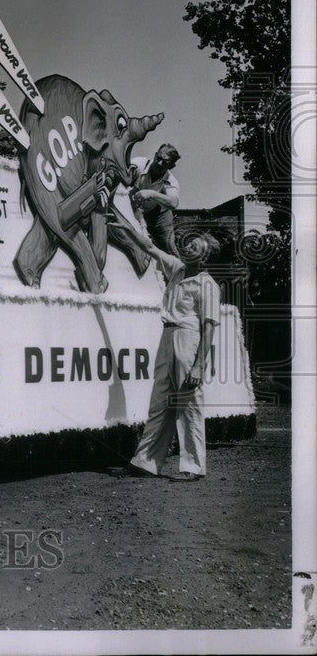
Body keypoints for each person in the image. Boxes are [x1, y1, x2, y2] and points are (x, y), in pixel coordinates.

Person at [109, 215, 221, 481]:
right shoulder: (178, 269)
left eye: (195, 247)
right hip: (167, 337)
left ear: (204, 258)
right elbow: (150, 248)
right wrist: (128, 228)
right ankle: (145, 462)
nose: (188, 248)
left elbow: (209, 328)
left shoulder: (208, 285)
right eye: (189, 244)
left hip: (189, 340)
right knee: (159, 401)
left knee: (188, 404)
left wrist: (198, 365)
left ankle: (194, 466)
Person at [129, 143, 181, 255]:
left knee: (168, 247)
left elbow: (173, 203)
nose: (159, 163)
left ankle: (177, 270)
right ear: (155, 154)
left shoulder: (171, 180)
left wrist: (151, 193)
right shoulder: (138, 164)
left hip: (158, 214)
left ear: (171, 166)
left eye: (165, 162)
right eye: (158, 158)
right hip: (134, 210)